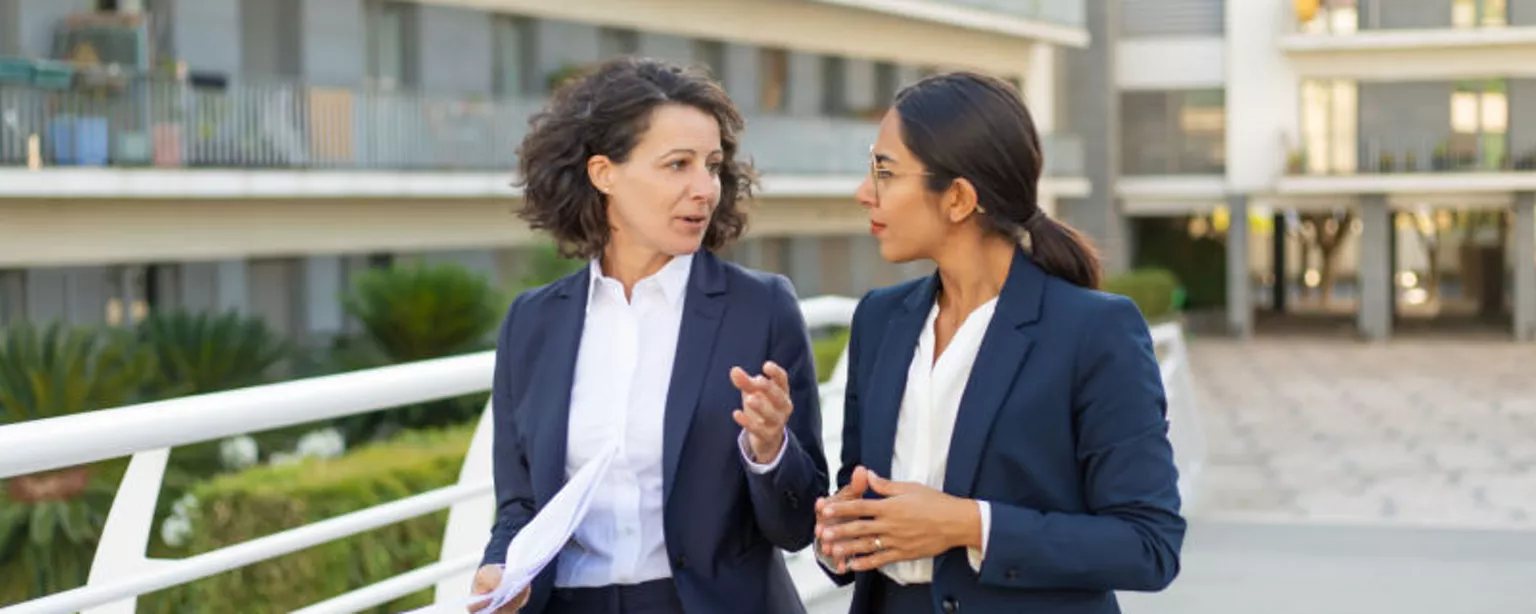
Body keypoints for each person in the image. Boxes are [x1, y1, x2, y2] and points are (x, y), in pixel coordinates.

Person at [812, 72, 1185, 614]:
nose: (863, 192)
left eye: (885, 172)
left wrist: (967, 525)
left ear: (959, 198)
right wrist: (841, 532)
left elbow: (1148, 545)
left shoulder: (1094, 331)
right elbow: (859, 503)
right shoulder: (879, 320)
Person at [468, 56, 829, 614]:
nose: (704, 189)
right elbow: (520, 505)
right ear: (603, 173)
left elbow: (799, 523)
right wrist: (501, 571)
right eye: (677, 165)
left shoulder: (761, 309)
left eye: (712, 165)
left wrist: (770, 450)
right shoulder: (532, 323)